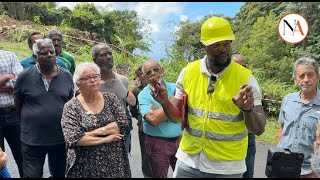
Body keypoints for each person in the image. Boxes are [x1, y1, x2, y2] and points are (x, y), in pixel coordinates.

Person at [149, 16, 266, 178]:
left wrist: (248, 109)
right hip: (189, 161)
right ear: (205, 45)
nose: (223, 49)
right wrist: (165, 102)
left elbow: (259, 129)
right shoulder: (189, 72)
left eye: (226, 43)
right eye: (216, 45)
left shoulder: (246, 78)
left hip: (227, 168)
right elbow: (176, 117)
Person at [13, 38, 74, 178]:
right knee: (32, 175)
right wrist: (28, 122)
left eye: (51, 52)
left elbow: (70, 103)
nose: (49, 55)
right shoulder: (24, 76)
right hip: (32, 139)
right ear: (35, 57)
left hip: (60, 137)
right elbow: (18, 104)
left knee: (60, 174)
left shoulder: (66, 75)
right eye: (44, 53)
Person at [61, 62, 131, 178]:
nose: (93, 80)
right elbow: (73, 139)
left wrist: (89, 134)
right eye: (87, 78)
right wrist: (106, 138)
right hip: (84, 165)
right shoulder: (71, 107)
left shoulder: (111, 99)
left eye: (95, 76)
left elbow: (121, 124)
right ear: (78, 83)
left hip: (114, 163)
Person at [277, 57, 320, 178]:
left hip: (310, 172)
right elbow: (282, 130)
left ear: (318, 77)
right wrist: (277, 156)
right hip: (283, 167)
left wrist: (316, 172)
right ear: (295, 79)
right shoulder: (288, 100)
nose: (306, 80)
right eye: (301, 76)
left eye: (310, 75)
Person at [138, 59, 182, 178]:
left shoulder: (176, 88)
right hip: (157, 143)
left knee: (184, 174)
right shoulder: (143, 95)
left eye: (155, 69)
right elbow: (153, 120)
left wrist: (159, 110)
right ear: (145, 77)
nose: (152, 73)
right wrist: (172, 103)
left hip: (180, 141)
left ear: (162, 70)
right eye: (148, 72)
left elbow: (185, 115)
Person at [91, 43, 136, 154]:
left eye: (110, 53)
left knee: (122, 162)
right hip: (99, 130)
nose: (108, 57)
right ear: (95, 60)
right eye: (103, 55)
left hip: (121, 130)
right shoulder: (91, 81)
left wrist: (122, 90)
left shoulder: (123, 79)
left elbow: (133, 102)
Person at [232, 53, 257, 178]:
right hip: (227, 141)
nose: (240, 69)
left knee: (247, 174)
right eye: (236, 66)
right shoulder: (222, 82)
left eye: (243, 66)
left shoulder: (251, 82)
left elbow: (258, 114)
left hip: (248, 138)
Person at [0, 50, 24, 177]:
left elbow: (20, 81)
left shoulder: (10, 55)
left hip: (13, 113)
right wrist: (8, 76)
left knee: (22, 156)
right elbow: (13, 80)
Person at [129, 66, 152, 178]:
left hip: (161, 127)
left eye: (143, 74)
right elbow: (132, 109)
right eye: (139, 75)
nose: (141, 77)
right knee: (146, 155)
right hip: (143, 127)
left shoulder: (159, 88)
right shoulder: (136, 90)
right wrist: (140, 119)